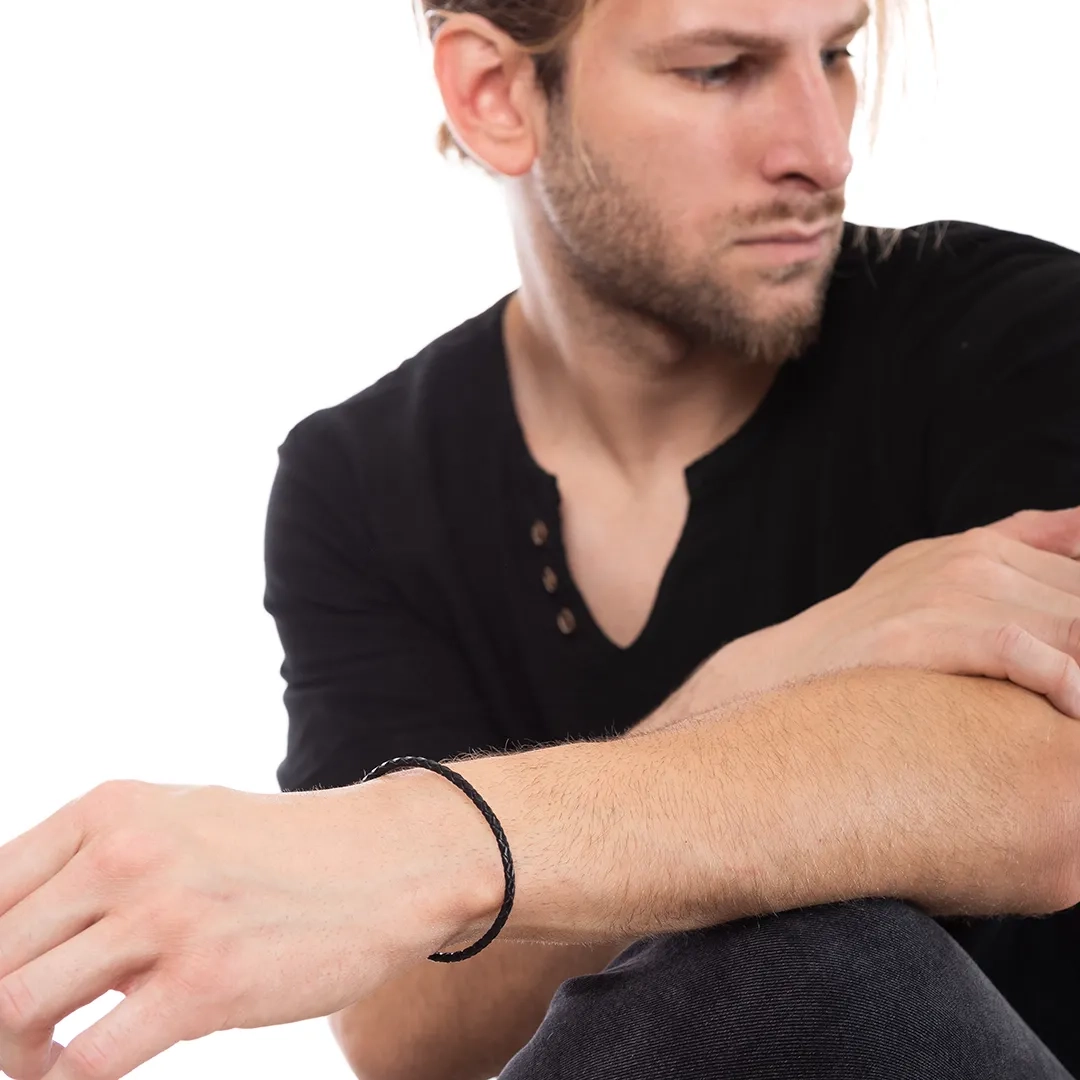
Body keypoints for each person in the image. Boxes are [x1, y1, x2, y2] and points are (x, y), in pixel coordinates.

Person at [262, 0, 1080, 1077]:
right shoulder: (357, 482)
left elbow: (1048, 795)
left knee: (806, 963)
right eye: (720, 69)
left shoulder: (1023, 335)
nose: (824, 150)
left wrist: (441, 863)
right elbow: (403, 1028)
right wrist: (772, 676)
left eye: (836, 54)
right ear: (496, 95)